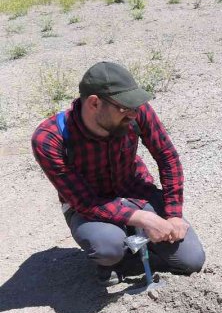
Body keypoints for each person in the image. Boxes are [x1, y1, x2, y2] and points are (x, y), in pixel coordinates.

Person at [31, 61, 205, 284]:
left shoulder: (134, 111)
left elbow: (167, 156)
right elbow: (85, 202)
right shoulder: (50, 138)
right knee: (107, 248)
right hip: (90, 206)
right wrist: (145, 218)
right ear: (94, 103)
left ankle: (137, 240)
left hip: (135, 191)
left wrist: (173, 213)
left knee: (191, 260)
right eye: (125, 108)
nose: (134, 114)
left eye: (135, 106)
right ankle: (117, 258)